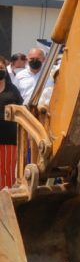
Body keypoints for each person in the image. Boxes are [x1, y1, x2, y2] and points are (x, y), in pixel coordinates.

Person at [0, 56, 23, 189]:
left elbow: (21, 111)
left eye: (1, 68)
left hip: (9, 138)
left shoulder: (12, 90)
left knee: (7, 171)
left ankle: (5, 197)